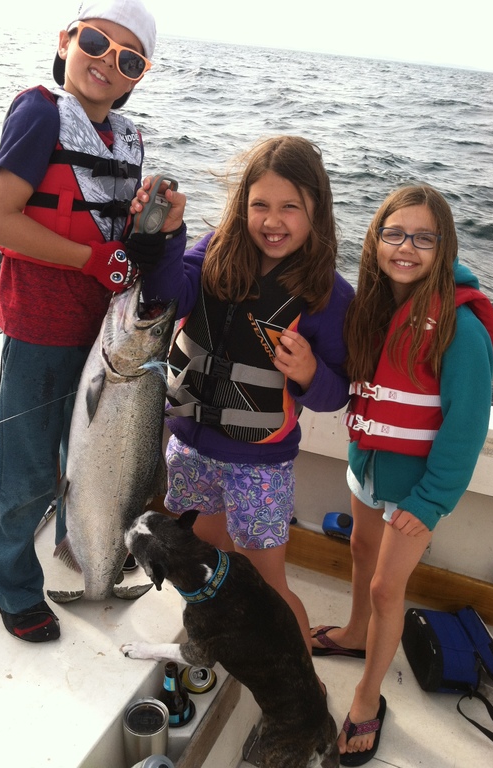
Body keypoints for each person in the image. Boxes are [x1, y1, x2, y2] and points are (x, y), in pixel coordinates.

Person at [0, 0, 186, 642]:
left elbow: (116, 239)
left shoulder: (129, 138)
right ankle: (14, 586)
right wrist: (92, 259)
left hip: (105, 335)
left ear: (139, 76)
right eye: (95, 43)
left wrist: (151, 228)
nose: (106, 63)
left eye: (129, 59)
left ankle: (85, 550)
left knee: (93, 459)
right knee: (26, 471)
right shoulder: (40, 112)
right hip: (41, 329)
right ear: (66, 39)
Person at [136, 135, 355, 659]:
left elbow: (335, 395)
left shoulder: (329, 295)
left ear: (317, 211)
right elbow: (167, 293)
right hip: (190, 448)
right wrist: (168, 235)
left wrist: (309, 373)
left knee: (267, 584)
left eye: (290, 207)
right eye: (260, 205)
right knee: (206, 562)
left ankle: (304, 687)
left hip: (259, 466)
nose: (273, 221)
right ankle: (222, 645)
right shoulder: (215, 249)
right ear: (242, 205)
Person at [310, 184, 493, 765]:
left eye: (423, 238)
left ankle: (368, 697)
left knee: (386, 587)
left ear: (444, 247)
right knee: (361, 552)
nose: (406, 248)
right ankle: (354, 634)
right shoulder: (374, 308)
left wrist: (431, 500)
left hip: (417, 491)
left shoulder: (460, 328)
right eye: (394, 234)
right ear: (375, 240)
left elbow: (466, 426)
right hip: (367, 466)